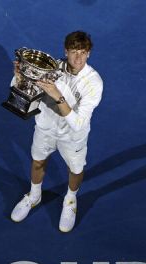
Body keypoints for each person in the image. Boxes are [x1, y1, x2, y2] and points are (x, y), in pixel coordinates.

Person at [10, 31, 103, 232]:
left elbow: (77, 124)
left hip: (73, 137)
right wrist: (19, 79)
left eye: (83, 52)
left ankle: (70, 200)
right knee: (37, 162)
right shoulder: (49, 68)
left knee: (75, 170)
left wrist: (56, 95)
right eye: (73, 52)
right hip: (45, 129)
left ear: (89, 54)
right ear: (65, 52)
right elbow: (23, 97)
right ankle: (34, 196)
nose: (78, 58)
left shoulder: (94, 82)